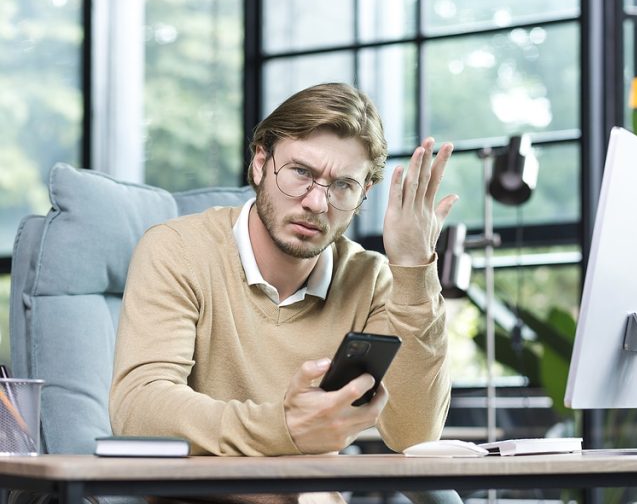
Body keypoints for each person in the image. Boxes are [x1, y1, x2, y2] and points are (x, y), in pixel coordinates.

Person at [109, 82, 458, 459]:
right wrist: (285, 426)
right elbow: (137, 408)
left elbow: (413, 434)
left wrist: (413, 269)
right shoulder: (178, 250)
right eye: (301, 172)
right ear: (260, 163)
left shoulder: (370, 279)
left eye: (343, 185)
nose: (316, 202)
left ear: (365, 194)